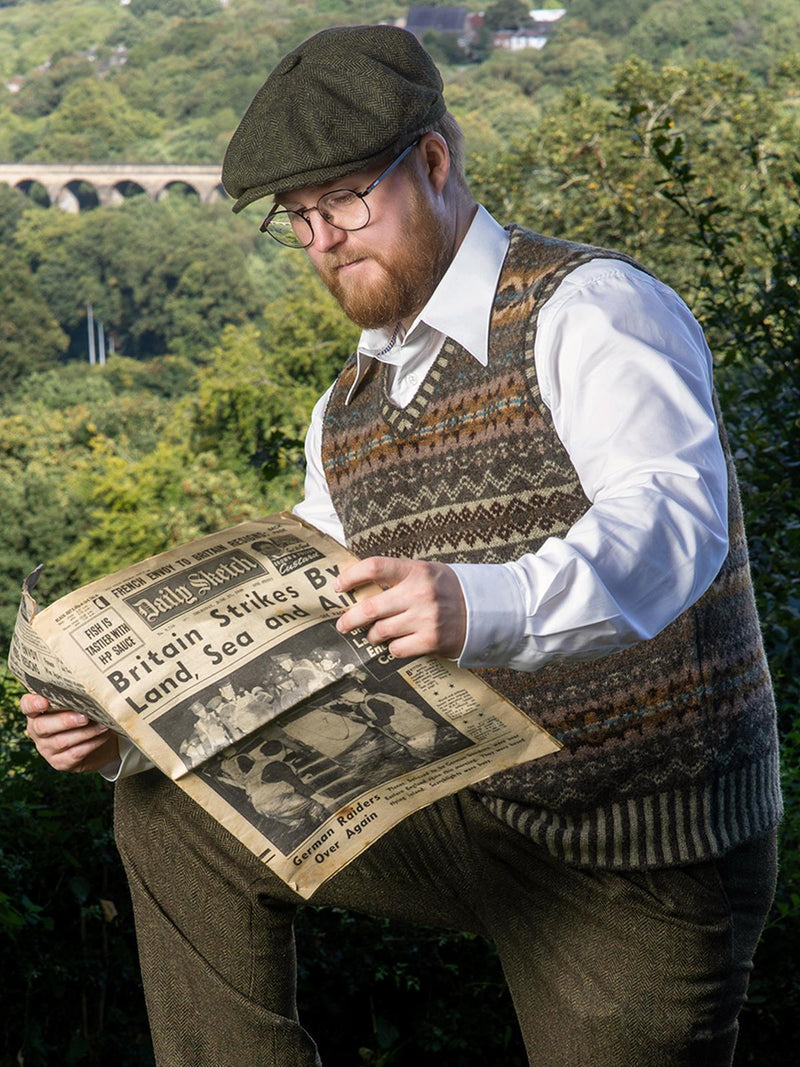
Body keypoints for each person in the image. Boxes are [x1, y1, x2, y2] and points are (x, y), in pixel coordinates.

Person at [21, 24, 781, 1067]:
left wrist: (482, 602)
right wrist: (133, 725)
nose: (324, 238)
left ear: (432, 161)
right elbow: (294, 631)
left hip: (638, 842)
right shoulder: (345, 410)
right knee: (165, 805)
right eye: (298, 218)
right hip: (460, 806)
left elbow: (669, 524)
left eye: (344, 200)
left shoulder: (589, 308)